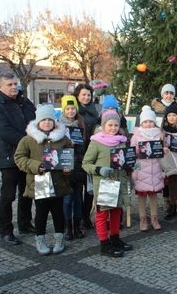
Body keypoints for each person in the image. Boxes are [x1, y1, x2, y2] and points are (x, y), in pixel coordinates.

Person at [0, 72, 36, 245]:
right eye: (9, 85)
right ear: (0, 87)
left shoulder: (24, 102)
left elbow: (35, 122)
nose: (14, 87)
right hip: (9, 156)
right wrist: (28, 142)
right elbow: (4, 131)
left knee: (27, 192)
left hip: (27, 156)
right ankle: (6, 230)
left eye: (15, 84)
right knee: (8, 195)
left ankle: (25, 224)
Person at [14, 104, 73, 255]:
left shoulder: (62, 138)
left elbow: (69, 154)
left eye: (50, 119)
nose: (47, 122)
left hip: (59, 182)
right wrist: (35, 166)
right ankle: (40, 240)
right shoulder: (28, 139)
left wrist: (68, 167)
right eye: (43, 119)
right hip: (39, 182)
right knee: (41, 213)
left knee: (58, 212)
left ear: (54, 121)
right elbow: (19, 158)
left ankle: (59, 239)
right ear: (38, 121)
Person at [82, 109, 133, 257]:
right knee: (102, 214)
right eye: (110, 125)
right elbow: (85, 164)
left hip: (118, 182)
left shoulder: (122, 142)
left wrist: (132, 165)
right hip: (104, 185)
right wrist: (99, 169)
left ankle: (115, 239)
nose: (113, 128)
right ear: (104, 126)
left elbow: (124, 161)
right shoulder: (96, 142)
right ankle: (104, 244)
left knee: (117, 211)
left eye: (116, 125)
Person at [131, 106, 165, 231]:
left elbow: (163, 149)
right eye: (145, 122)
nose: (148, 124)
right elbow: (132, 152)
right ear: (141, 123)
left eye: (150, 121)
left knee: (154, 195)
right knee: (141, 196)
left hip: (155, 168)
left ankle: (154, 218)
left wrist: (164, 150)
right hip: (141, 169)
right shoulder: (136, 136)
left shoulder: (159, 134)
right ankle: (143, 219)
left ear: (154, 122)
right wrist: (137, 151)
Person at [151, 83, 177, 214]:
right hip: (162, 145)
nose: (168, 95)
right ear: (162, 94)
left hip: (176, 147)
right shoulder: (156, 108)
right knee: (166, 177)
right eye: (166, 93)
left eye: (171, 93)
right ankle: (167, 201)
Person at [59, 95, 87, 240]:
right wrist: (68, 145)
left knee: (78, 198)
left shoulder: (81, 124)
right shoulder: (58, 125)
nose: (70, 111)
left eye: (73, 108)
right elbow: (55, 148)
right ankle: (67, 227)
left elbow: (86, 146)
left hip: (79, 166)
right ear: (64, 110)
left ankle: (77, 226)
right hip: (65, 168)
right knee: (67, 199)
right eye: (68, 108)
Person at [73, 83, 99, 230]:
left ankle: (86, 217)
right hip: (77, 155)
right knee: (77, 191)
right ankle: (76, 219)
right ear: (78, 96)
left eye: (88, 95)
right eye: (83, 94)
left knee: (89, 190)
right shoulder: (74, 111)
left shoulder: (94, 111)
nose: (86, 97)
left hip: (91, 153)